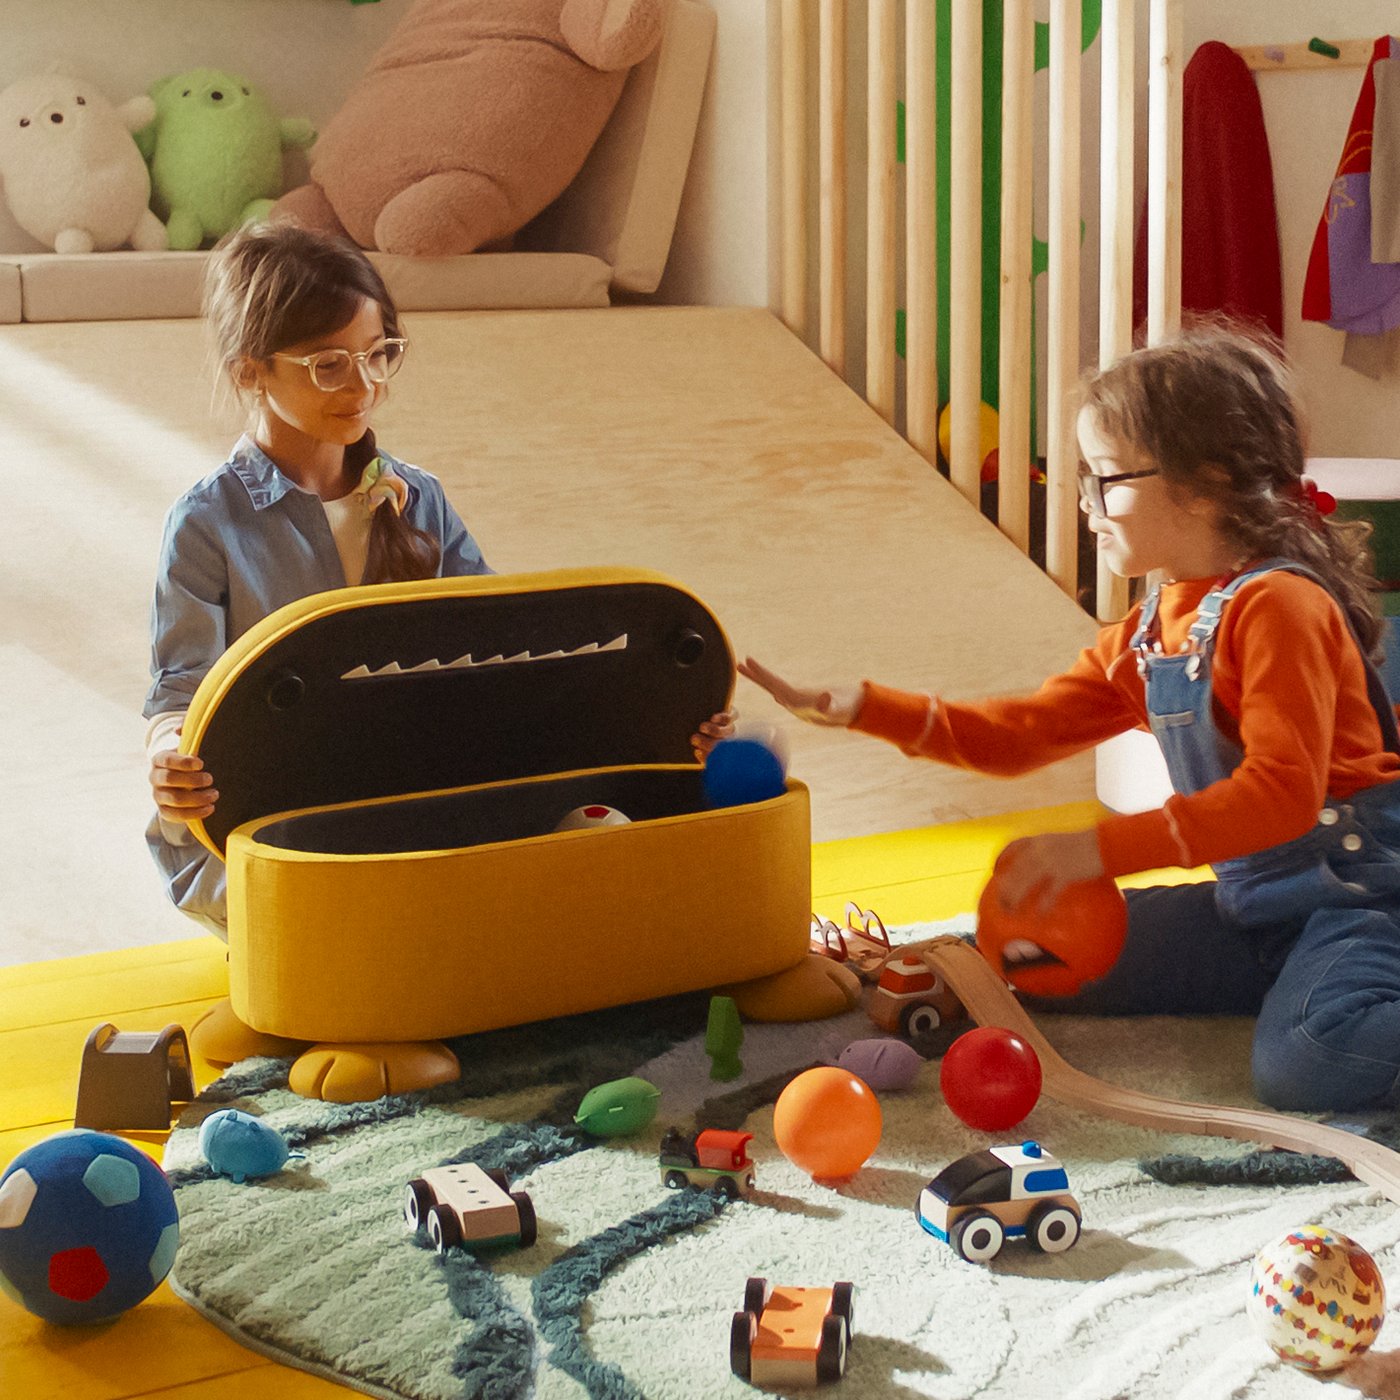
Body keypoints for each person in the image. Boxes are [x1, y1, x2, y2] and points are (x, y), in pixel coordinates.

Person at [742, 325, 1400, 1115]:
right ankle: (1299, 980)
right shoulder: (1149, 633)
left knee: (1312, 1061)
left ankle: (1333, 990)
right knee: (1028, 962)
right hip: (1255, 913)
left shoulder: (1279, 606)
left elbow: (1280, 798)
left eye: (1106, 478)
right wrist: (865, 707)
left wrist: (1098, 849)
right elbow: (1020, 735)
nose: (1085, 501)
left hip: (1361, 901)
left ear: (1207, 482)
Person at [146, 221, 733, 942]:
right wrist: (170, 762)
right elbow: (179, 695)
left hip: (408, 798)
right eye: (329, 365)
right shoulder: (207, 523)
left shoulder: (418, 498)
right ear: (250, 372)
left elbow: (502, 654)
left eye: (377, 354)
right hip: (273, 829)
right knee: (384, 935)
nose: (364, 385)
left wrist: (668, 721)